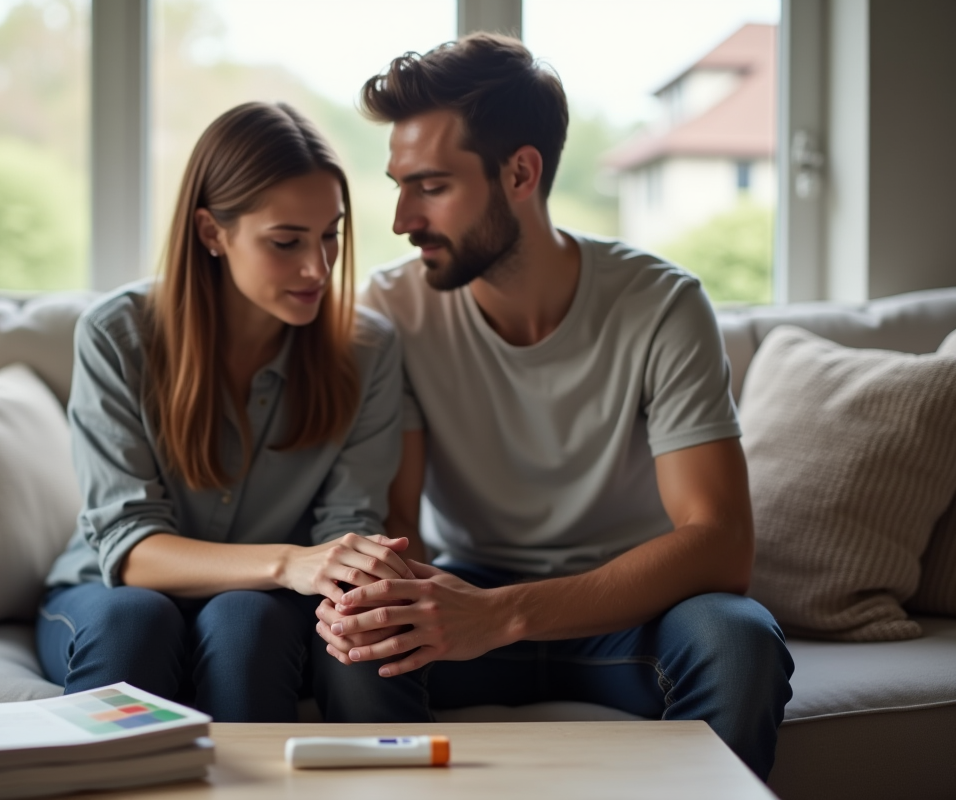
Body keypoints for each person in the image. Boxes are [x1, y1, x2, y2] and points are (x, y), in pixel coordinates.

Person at [314, 35, 794, 779]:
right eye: (399, 184)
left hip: (634, 604)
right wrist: (407, 598)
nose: (402, 218)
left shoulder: (662, 305)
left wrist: (502, 614)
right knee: (357, 640)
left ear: (520, 173)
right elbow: (398, 519)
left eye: (432, 186)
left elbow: (721, 544)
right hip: (467, 579)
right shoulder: (393, 306)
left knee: (738, 639)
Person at [38, 101, 422, 723]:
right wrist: (287, 561)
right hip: (111, 592)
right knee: (138, 617)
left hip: (266, 601)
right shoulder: (117, 335)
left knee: (248, 619)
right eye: (286, 241)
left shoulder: (366, 350)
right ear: (212, 232)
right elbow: (130, 549)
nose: (317, 267)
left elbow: (350, 523)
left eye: (331, 234)